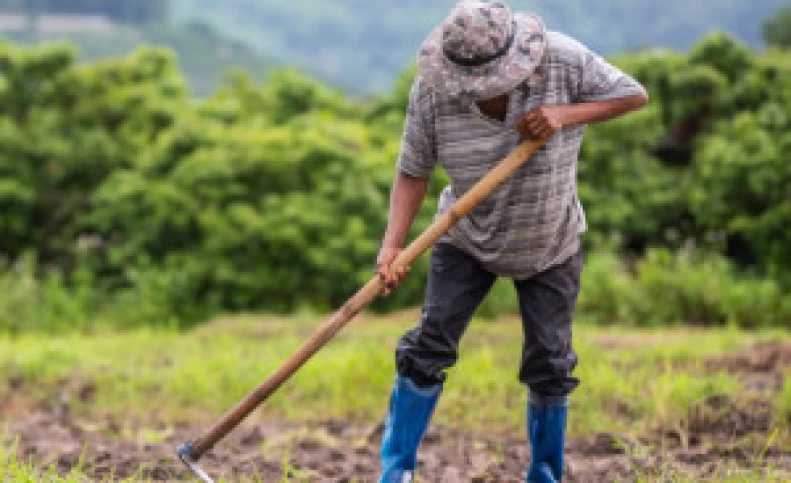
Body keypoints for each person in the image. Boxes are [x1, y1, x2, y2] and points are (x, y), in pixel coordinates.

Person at [375, 1, 648, 482]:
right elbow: (412, 170)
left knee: (550, 363)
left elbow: (632, 95)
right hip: (464, 237)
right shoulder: (433, 92)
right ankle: (395, 473)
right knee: (427, 349)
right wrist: (392, 247)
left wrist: (565, 114)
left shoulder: (562, 60)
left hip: (550, 239)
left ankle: (545, 475)